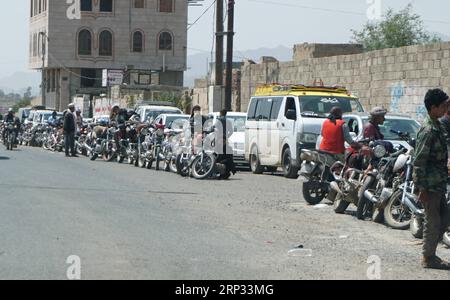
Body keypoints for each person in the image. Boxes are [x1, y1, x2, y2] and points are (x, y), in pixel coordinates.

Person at [413, 88, 450, 270]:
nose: (446, 108)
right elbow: (419, 161)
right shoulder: (428, 130)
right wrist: (421, 188)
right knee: (433, 221)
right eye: (443, 105)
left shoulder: (438, 126)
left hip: (439, 183)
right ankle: (428, 257)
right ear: (433, 107)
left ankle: (430, 252)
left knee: (444, 219)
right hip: (429, 185)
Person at [213, 109, 237, 178]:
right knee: (226, 153)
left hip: (218, 138)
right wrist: (226, 136)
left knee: (217, 152)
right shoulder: (228, 121)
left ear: (220, 113)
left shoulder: (218, 120)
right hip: (224, 138)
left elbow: (213, 127)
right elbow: (231, 131)